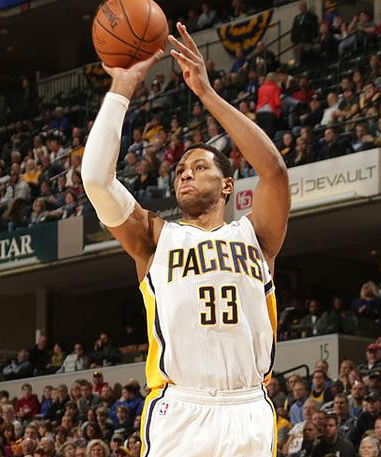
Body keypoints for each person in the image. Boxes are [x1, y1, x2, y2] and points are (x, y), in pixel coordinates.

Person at [82, 22, 290, 456]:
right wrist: (122, 87)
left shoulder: (255, 235)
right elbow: (97, 180)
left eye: (200, 167)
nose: (185, 175)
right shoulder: (154, 237)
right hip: (180, 407)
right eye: (179, 171)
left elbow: (273, 170)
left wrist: (207, 94)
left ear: (228, 185)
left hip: (249, 407)